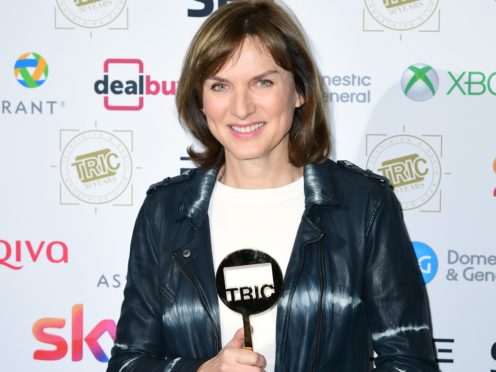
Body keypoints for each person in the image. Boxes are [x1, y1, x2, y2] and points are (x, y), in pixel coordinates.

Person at [107, 1, 439, 371]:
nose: (242, 107)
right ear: (200, 99)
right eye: (220, 86)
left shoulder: (364, 206)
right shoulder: (166, 212)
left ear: (299, 91)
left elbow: (410, 362)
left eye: (262, 82)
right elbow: (128, 362)